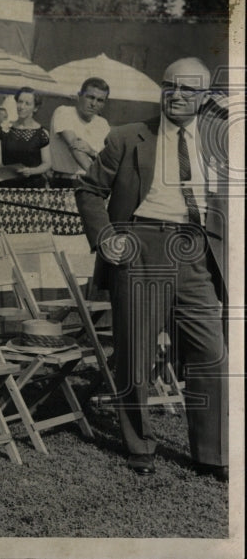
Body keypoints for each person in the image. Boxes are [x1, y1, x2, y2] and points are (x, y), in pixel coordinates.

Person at [75, 57, 227, 481]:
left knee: (212, 355)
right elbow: (88, 190)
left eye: (188, 90)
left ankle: (212, 453)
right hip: (140, 246)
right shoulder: (127, 137)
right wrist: (108, 239)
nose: (177, 95)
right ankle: (139, 445)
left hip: (195, 253)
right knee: (136, 355)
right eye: (169, 86)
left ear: (205, 97)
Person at [49, 77, 111, 187]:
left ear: (104, 104)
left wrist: (92, 152)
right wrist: (97, 180)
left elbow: (107, 159)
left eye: (100, 100)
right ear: (79, 96)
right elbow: (75, 147)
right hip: (66, 182)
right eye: (90, 97)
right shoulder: (64, 112)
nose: (93, 103)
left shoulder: (103, 124)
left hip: (90, 183)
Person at [0, 87, 51, 188]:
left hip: (32, 187)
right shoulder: (5, 129)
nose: (21, 106)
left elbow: (47, 163)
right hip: (7, 185)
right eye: (20, 102)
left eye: (27, 103)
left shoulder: (42, 133)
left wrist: (31, 171)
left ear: (35, 108)